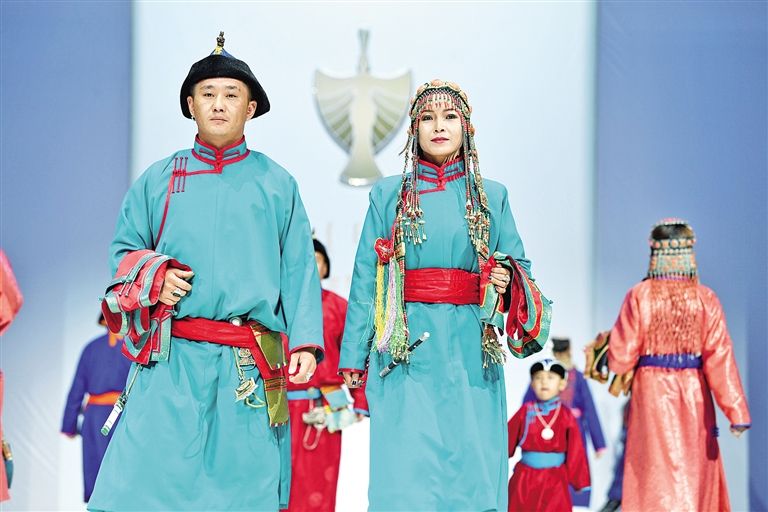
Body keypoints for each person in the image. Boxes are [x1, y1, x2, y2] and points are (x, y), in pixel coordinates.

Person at [89, 33, 323, 511]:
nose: (219, 104)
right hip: (170, 360)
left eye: (231, 95)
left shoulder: (277, 184)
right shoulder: (159, 180)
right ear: (190, 105)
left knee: (242, 492)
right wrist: (154, 277)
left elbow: (299, 269)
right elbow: (123, 253)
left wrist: (304, 342)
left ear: (251, 108)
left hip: (247, 366)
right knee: (142, 489)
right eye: (208, 94)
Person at [339, 79, 551, 510]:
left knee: (471, 465)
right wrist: (352, 356)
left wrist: (505, 278)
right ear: (413, 129)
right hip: (404, 347)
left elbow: (521, 269)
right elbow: (365, 278)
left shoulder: (492, 196)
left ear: (466, 127)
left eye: (450, 117)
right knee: (405, 471)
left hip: (470, 346)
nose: (439, 126)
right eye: (427, 118)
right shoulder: (388, 194)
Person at [586, 218, 751, 511]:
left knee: (653, 470)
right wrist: (736, 412)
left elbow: (621, 359)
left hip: (651, 394)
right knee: (693, 470)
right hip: (694, 393)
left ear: (654, 252)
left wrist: (609, 349)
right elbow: (720, 357)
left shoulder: (640, 295)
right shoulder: (705, 298)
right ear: (689, 253)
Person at [284, 238, 368, 512]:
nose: (310, 265)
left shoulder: (339, 307)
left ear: (325, 267)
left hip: (325, 406)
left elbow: (355, 357)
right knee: (277, 484)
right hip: (280, 407)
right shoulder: (276, 308)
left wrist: (359, 398)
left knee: (319, 484)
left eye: (316, 260)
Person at [522, 336, 605, 508]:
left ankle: (571, 501)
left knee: (572, 465)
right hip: (549, 429)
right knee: (552, 468)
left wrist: (599, 443)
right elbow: (527, 406)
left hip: (572, 430)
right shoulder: (547, 375)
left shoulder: (576, 378)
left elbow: (589, 408)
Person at [61, 314, 132, 502]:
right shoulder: (134, 348)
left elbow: (77, 388)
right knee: (124, 466)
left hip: (98, 416)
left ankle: (100, 504)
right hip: (124, 414)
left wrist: (69, 425)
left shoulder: (91, 348)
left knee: (97, 466)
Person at [508, 359, 590, 511]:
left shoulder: (566, 416)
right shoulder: (525, 412)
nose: (544, 382)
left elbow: (576, 451)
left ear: (562, 384)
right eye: (538, 378)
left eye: (550, 378)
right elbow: (506, 441)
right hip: (525, 479)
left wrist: (581, 481)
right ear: (532, 384)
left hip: (555, 480)